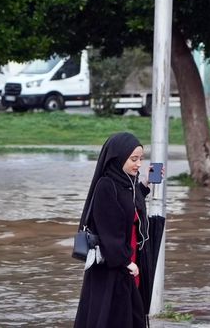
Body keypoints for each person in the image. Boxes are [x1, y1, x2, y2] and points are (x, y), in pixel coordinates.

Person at [74, 132, 159, 328]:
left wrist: (146, 184)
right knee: (113, 315)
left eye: (141, 159)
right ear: (118, 158)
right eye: (133, 159)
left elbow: (130, 203)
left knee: (131, 313)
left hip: (129, 260)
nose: (138, 164)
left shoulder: (126, 183)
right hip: (113, 265)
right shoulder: (106, 185)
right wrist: (125, 262)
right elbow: (108, 230)